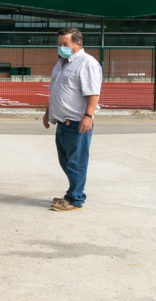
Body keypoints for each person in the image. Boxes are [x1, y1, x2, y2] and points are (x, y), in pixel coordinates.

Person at [43, 27, 102, 212]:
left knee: (76, 161)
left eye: (65, 44)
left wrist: (88, 116)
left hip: (77, 122)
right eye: (59, 44)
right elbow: (55, 90)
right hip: (62, 121)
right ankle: (72, 192)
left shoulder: (87, 64)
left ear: (77, 44)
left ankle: (75, 198)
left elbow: (93, 93)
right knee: (65, 161)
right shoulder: (61, 63)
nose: (61, 47)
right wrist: (48, 112)